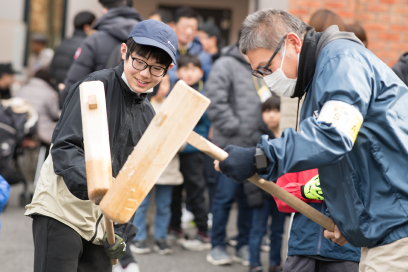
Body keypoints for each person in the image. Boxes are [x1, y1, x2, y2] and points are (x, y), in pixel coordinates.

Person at [214, 9, 408, 272]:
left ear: (292, 42)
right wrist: (351, 222)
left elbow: (333, 136)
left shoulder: (341, 61)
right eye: (258, 73)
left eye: (266, 68)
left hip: (398, 229)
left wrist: (259, 157)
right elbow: (350, 160)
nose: (267, 79)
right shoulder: (319, 76)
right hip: (384, 228)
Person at [25, 20, 178, 272]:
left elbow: (134, 180)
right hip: (62, 210)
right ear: (123, 52)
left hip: (103, 227)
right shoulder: (95, 88)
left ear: (168, 69)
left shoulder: (148, 115)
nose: (144, 73)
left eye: (156, 68)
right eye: (139, 61)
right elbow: (65, 147)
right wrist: (98, 188)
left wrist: (123, 231)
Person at [205, 40, 265, 267]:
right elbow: (215, 101)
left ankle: (242, 244)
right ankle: (217, 245)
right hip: (228, 145)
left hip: (255, 145)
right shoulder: (225, 64)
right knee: (224, 198)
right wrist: (236, 127)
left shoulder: (260, 66)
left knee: (251, 198)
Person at [131, 75, 183, 256]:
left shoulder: (176, 108)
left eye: (167, 83)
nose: (162, 86)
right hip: (144, 164)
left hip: (166, 165)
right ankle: (138, 237)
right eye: (160, 82)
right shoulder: (141, 104)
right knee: (141, 204)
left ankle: (161, 237)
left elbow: (183, 139)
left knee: (164, 205)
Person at [275, 170, 360, 272]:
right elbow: (279, 197)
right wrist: (303, 191)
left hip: (345, 251)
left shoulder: (357, 154)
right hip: (303, 247)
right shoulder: (298, 155)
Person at [60, 0, 143, 104]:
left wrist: (64, 95)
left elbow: (73, 88)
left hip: (99, 113)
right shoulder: (145, 41)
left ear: (104, 10)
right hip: (134, 114)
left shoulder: (94, 40)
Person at [169, 54, 211, 251]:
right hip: (174, 150)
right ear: (177, 72)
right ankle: (175, 227)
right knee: (175, 191)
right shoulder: (173, 91)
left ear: (201, 73)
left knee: (195, 190)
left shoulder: (203, 93)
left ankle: (203, 230)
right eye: (185, 69)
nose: (189, 73)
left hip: (194, 150)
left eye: (193, 69)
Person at [248, 96, 286, 272]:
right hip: (261, 193)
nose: (271, 115)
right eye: (267, 110)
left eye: (276, 110)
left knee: (278, 232)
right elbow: (250, 169)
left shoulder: (288, 134)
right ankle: (254, 264)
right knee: (258, 230)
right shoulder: (257, 136)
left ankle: (275, 264)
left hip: (281, 193)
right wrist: (253, 195)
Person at [50, 11, 96, 92]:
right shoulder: (87, 46)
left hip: (59, 90)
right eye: (95, 26)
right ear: (86, 27)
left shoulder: (62, 44)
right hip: (75, 93)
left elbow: (52, 69)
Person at [17, 69, 59, 155]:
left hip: (22, 128)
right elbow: (54, 114)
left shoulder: (22, 89)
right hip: (41, 131)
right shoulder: (49, 92)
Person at [167, 6, 212, 86]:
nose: (189, 31)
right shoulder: (165, 51)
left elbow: (208, 84)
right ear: (173, 26)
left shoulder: (203, 56)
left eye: (193, 28)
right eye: (184, 27)